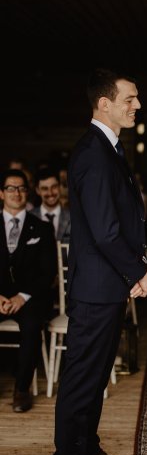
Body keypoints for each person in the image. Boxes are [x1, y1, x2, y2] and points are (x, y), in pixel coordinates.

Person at [51, 69, 147, 455]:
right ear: (104, 104)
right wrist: (138, 272)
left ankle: (87, 451)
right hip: (96, 288)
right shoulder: (93, 153)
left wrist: (132, 268)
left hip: (106, 285)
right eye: (130, 99)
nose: (137, 105)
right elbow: (105, 230)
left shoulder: (108, 148)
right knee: (80, 379)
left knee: (95, 378)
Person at [0, 169, 57, 412]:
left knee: (33, 325)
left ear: (28, 192)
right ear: (1, 193)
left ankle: (22, 389)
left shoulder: (42, 228)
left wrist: (21, 297)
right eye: (11, 188)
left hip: (30, 298)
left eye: (21, 188)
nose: (16, 193)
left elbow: (48, 272)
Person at [31, 168, 71, 242]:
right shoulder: (29, 218)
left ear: (59, 187)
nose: (50, 193)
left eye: (54, 187)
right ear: (37, 190)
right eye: (45, 189)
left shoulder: (72, 217)